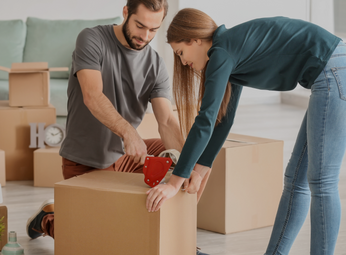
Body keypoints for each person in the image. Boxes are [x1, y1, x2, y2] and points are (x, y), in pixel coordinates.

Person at [146, 7, 344, 255]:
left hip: (334, 69)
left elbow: (204, 120)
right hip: (331, 71)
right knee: (295, 180)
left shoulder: (222, 52)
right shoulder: (229, 50)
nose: (184, 62)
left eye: (181, 52)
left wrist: (174, 184)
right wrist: (200, 168)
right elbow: (223, 121)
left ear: (195, 39)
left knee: (321, 182)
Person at [26, 1, 209, 255]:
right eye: (140, 25)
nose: (145, 36)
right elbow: (92, 95)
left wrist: (185, 165)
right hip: (88, 161)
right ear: (126, 12)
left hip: (129, 155)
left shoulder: (155, 64)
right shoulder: (91, 39)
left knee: (193, 155)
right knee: (102, 243)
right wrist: (129, 132)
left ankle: (179, 240)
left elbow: (166, 120)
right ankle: (49, 218)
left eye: (153, 30)